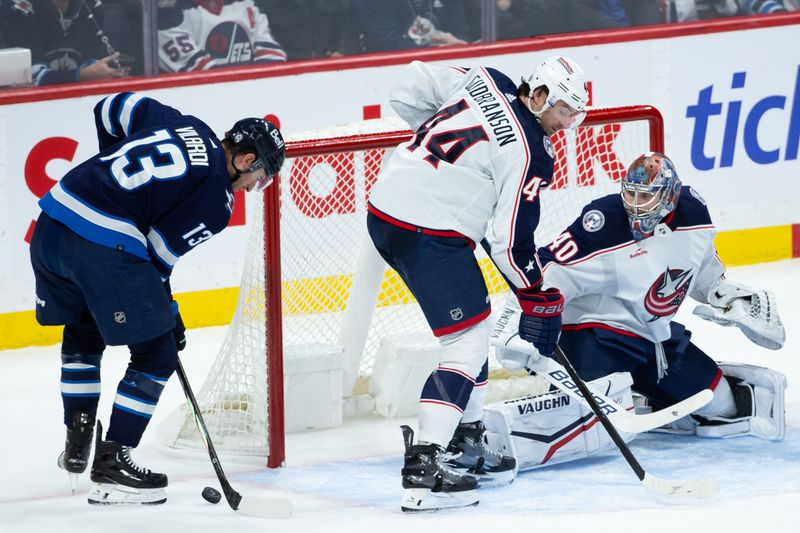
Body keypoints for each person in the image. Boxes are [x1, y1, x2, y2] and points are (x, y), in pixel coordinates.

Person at [29, 92, 285, 505]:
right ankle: (113, 460)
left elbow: (110, 108)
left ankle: (78, 436)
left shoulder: (185, 124)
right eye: (261, 175)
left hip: (51, 223)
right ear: (244, 159)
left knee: (84, 327)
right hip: (101, 246)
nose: (257, 186)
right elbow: (154, 258)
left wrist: (111, 183)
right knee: (157, 352)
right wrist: (169, 314)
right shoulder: (217, 200)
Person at [367, 56, 589, 511]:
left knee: (475, 325)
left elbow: (409, 86)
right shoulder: (530, 152)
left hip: (385, 207)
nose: (566, 124)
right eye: (564, 111)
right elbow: (509, 242)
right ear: (541, 95)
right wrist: (536, 296)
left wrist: (443, 167)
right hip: (427, 229)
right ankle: (425, 464)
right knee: (467, 343)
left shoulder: (486, 78)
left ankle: (466, 441)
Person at [489, 152, 787, 471]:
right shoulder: (603, 222)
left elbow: (702, 274)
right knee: (584, 431)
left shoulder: (694, 215)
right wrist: (514, 325)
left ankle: (642, 398)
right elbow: (544, 267)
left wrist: (726, 297)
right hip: (593, 337)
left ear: (670, 196)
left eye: (645, 195)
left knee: (723, 407)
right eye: (630, 193)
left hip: (653, 340)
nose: (634, 203)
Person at [0, 0, 131, 85]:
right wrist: (83, 75)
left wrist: (105, 71)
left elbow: (91, 59)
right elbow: (30, 77)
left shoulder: (92, 6)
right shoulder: (17, 9)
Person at [157, 0, 287, 73]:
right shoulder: (169, 13)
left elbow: (272, 54)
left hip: (250, 94)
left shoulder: (246, 3)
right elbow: (197, 70)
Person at [350, 0, 472, 53]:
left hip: (447, 69)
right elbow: (388, 46)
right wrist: (445, 51)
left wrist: (459, 46)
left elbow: (461, 33)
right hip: (388, 75)